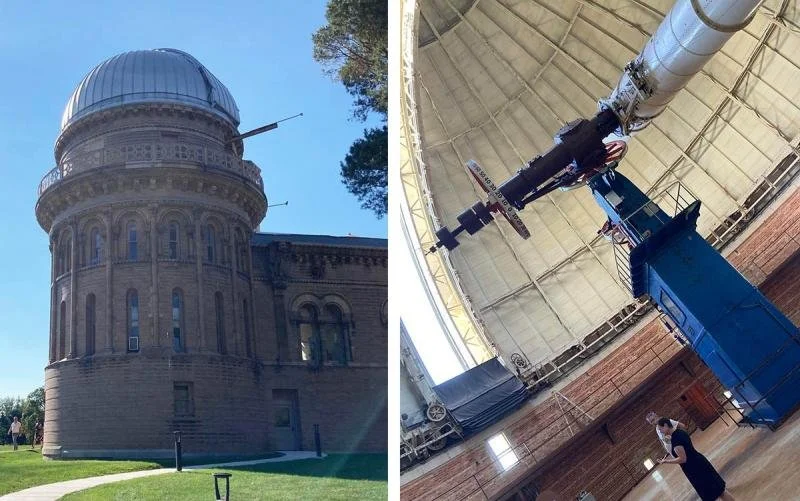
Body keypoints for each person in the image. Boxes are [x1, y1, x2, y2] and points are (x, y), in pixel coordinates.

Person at [656, 417, 735, 501]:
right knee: (720, 492)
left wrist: (666, 461)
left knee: (714, 494)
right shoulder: (680, 432)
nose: (660, 431)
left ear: (665, 425)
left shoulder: (676, 441)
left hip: (695, 469)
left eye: (660, 429)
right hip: (700, 461)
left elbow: (683, 459)